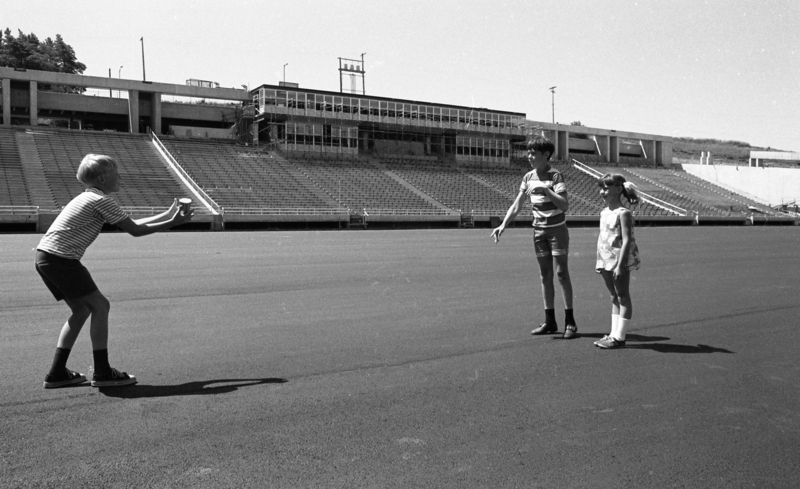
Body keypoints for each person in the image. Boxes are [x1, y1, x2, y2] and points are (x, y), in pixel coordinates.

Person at [37, 154, 193, 388]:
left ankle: (57, 372)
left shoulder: (89, 197)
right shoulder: (101, 201)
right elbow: (136, 231)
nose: (120, 177)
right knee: (101, 306)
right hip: (62, 260)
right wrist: (175, 223)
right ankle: (102, 373)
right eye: (116, 173)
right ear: (102, 177)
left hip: (45, 257)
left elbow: (133, 223)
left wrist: (169, 214)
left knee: (81, 311)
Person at [491, 137, 577, 339]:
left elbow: (564, 205)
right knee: (544, 275)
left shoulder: (555, 176)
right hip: (538, 231)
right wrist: (503, 224)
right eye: (528, 153)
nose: (529, 157)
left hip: (557, 230)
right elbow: (517, 204)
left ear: (545, 155)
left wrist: (546, 190)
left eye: (533, 153)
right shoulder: (528, 177)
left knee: (561, 273)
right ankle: (550, 321)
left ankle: (570, 322)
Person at [594, 173, 641, 349]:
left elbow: (627, 240)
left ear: (619, 189)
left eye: (606, 188)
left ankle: (620, 337)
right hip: (605, 260)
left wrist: (620, 265)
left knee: (622, 296)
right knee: (614, 296)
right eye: (601, 188)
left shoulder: (623, 213)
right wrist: (599, 261)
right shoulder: (604, 212)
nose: (603, 192)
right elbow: (602, 239)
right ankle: (613, 334)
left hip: (618, 261)